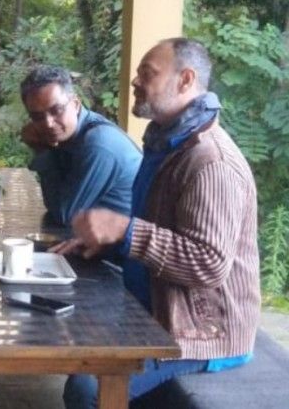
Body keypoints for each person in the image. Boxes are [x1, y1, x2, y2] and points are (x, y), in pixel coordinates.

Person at [54, 38, 260, 408]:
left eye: (147, 74)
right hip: (154, 308)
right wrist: (109, 242)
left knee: (87, 387)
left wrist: (123, 230)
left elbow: (208, 262)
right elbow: (158, 228)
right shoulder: (166, 142)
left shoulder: (210, 161)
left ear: (185, 80)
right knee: (65, 325)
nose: (135, 81)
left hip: (202, 333)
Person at [20, 65, 142, 226]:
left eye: (56, 110)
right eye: (37, 117)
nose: (48, 123)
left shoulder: (98, 145)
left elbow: (64, 215)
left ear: (76, 104)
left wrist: (42, 151)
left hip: (126, 248)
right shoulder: (70, 135)